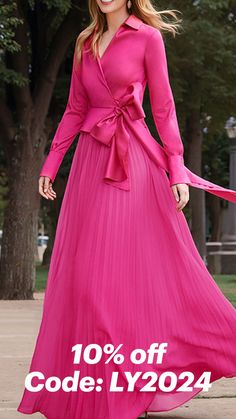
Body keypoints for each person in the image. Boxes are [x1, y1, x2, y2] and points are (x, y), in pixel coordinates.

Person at [17, 1, 236, 418]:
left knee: (114, 277)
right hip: (88, 163)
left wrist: (176, 170)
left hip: (132, 162)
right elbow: (75, 110)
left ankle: (123, 389)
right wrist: (51, 162)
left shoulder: (148, 38)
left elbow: (165, 109)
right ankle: (102, 386)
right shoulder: (84, 40)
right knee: (84, 277)